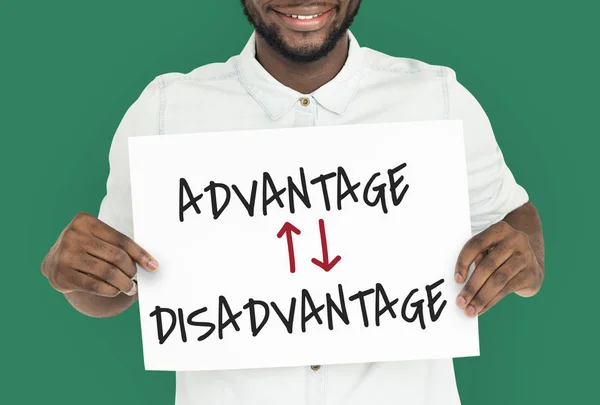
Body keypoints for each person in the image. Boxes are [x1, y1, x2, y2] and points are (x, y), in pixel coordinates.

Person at [41, 1, 545, 404]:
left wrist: (526, 261)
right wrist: (75, 273)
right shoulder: (166, 111)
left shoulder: (439, 100)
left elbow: (515, 220)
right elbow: (112, 287)